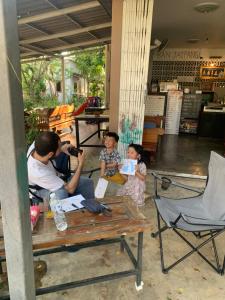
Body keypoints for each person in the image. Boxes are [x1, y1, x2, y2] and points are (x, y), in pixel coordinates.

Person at [27, 131, 94, 201]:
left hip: (54, 177)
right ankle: (65, 211)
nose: (61, 147)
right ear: (50, 154)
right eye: (59, 147)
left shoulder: (39, 144)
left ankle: (90, 206)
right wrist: (80, 164)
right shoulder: (38, 172)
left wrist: (62, 148)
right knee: (62, 194)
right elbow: (70, 189)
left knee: (87, 183)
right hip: (40, 190)